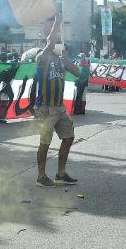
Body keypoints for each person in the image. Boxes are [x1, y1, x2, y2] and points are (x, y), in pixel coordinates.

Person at [34, 14, 82, 188]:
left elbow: (77, 72)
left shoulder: (61, 61)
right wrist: (57, 22)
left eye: (60, 43)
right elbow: (50, 40)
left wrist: (66, 58)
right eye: (57, 42)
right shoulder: (42, 58)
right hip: (45, 108)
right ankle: (41, 177)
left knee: (68, 137)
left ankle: (61, 174)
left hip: (59, 108)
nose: (59, 44)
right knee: (45, 142)